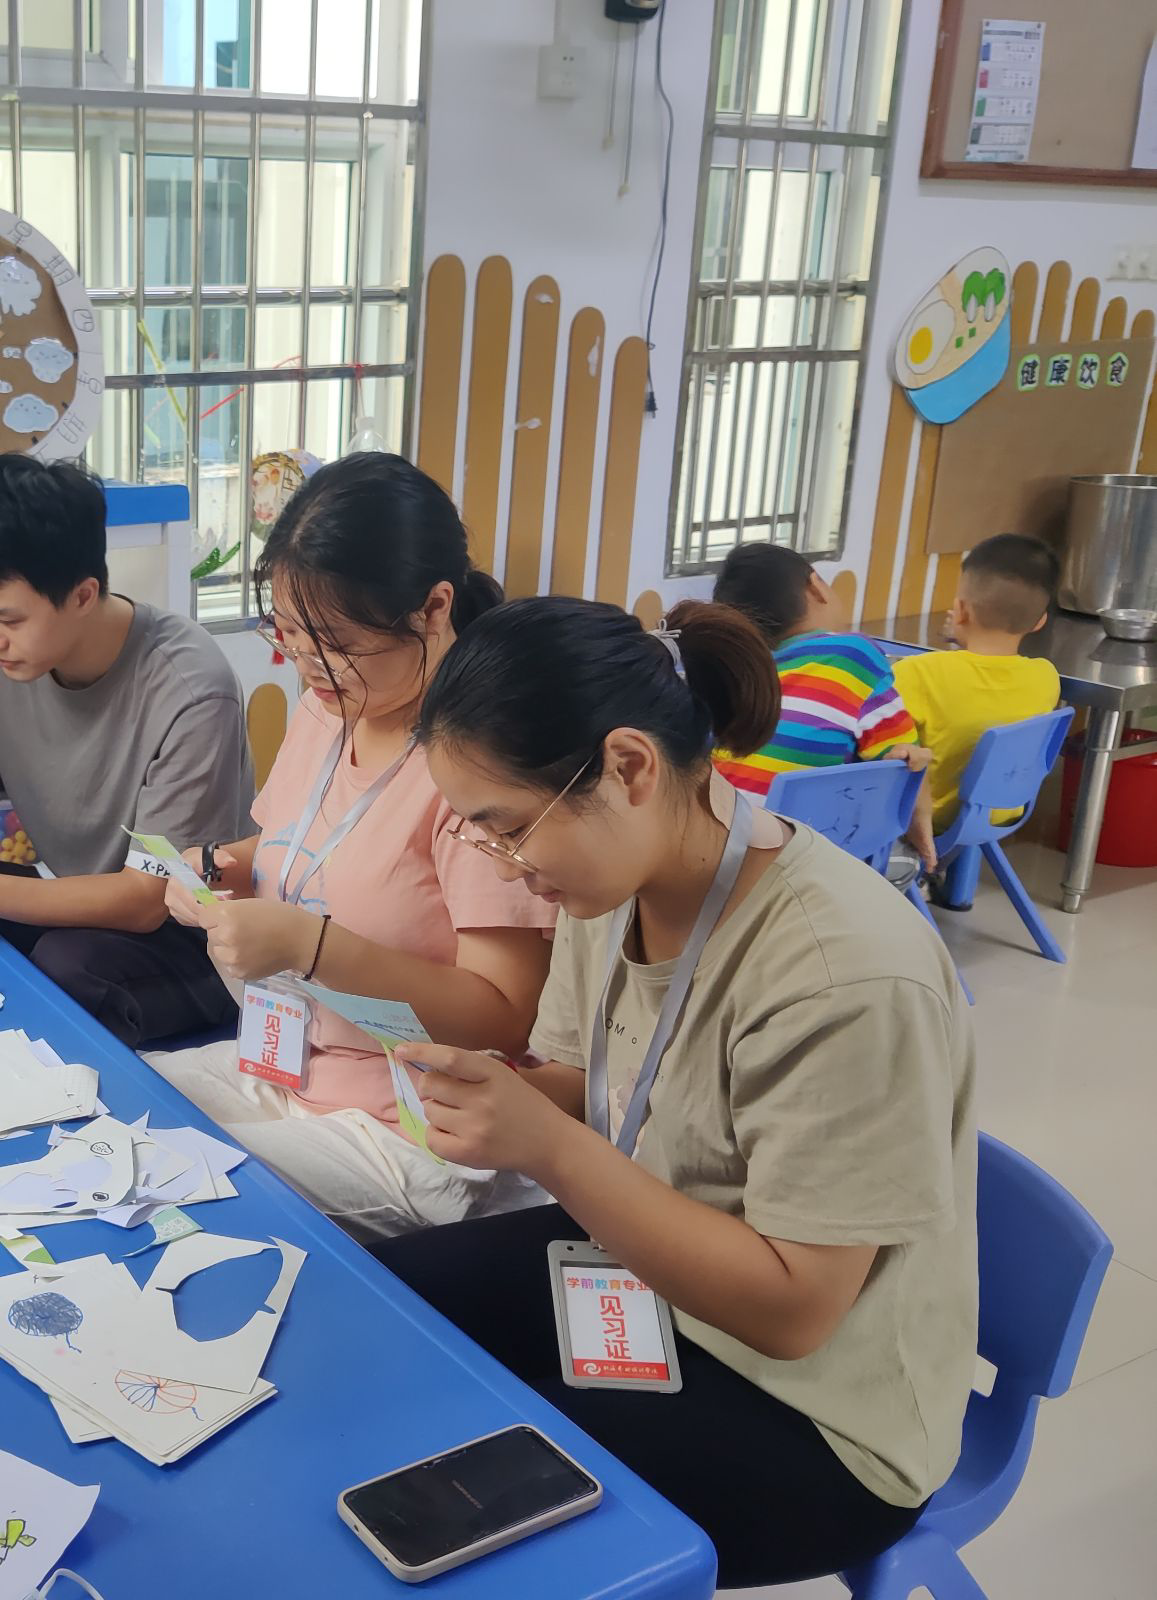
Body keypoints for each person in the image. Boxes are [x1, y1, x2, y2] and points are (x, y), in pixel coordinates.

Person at [369, 595, 976, 1589]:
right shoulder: (610, 884)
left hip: (815, 1413)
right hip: (656, 1269)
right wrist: (500, 1096)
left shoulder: (841, 973)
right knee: (381, 1314)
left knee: (452, 1477)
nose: (509, 868)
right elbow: (598, 1082)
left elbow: (794, 1312)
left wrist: (546, 1146)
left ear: (629, 767)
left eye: (508, 829)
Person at [142, 454, 556, 1240]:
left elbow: (501, 1020)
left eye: (331, 641)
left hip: (414, 1125)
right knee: (107, 1102)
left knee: (171, 1178)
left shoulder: (480, 762)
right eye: (287, 632)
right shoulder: (327, 708)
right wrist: (223, 868)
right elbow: (304, 848)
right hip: (291, 1064)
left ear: (433, 608)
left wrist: (312, 945)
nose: (305, 663)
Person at [0, 454, 254, 1048]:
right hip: (73, 902)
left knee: (69, 966)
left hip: (193, 935)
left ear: (83, 595)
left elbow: (146, 902)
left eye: (6, 618)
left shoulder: (190, 688)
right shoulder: (1, 660)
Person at [892, 534, 1063, 877]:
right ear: (1040, 621)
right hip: (1003, 810)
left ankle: (907, 873)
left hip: (934, 819)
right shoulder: (1046, 676)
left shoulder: (917, 672)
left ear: (960, 611)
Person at [709, 542, 928, 799]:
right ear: (816, 587)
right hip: (798, 824)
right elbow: (903, 766)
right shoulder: (851, 656)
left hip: (723, 819)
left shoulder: (729, 672)